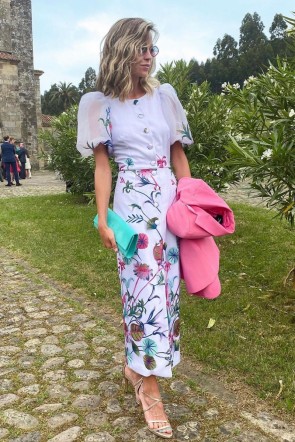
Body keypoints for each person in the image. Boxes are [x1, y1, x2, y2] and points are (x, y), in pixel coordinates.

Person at [76, 18, 193, 439]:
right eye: (141, 48)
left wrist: (191, 199)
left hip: (169, 204)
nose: (149, 55)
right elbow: (103, 164)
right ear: (122, 49)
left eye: (152, 49)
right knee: (142, 292)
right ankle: (150, 387)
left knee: (168, 292)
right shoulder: (98, 103)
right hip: (131, 205)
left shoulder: (166, 97)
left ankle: (136, 366)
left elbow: (178, 154)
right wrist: (103, 217)